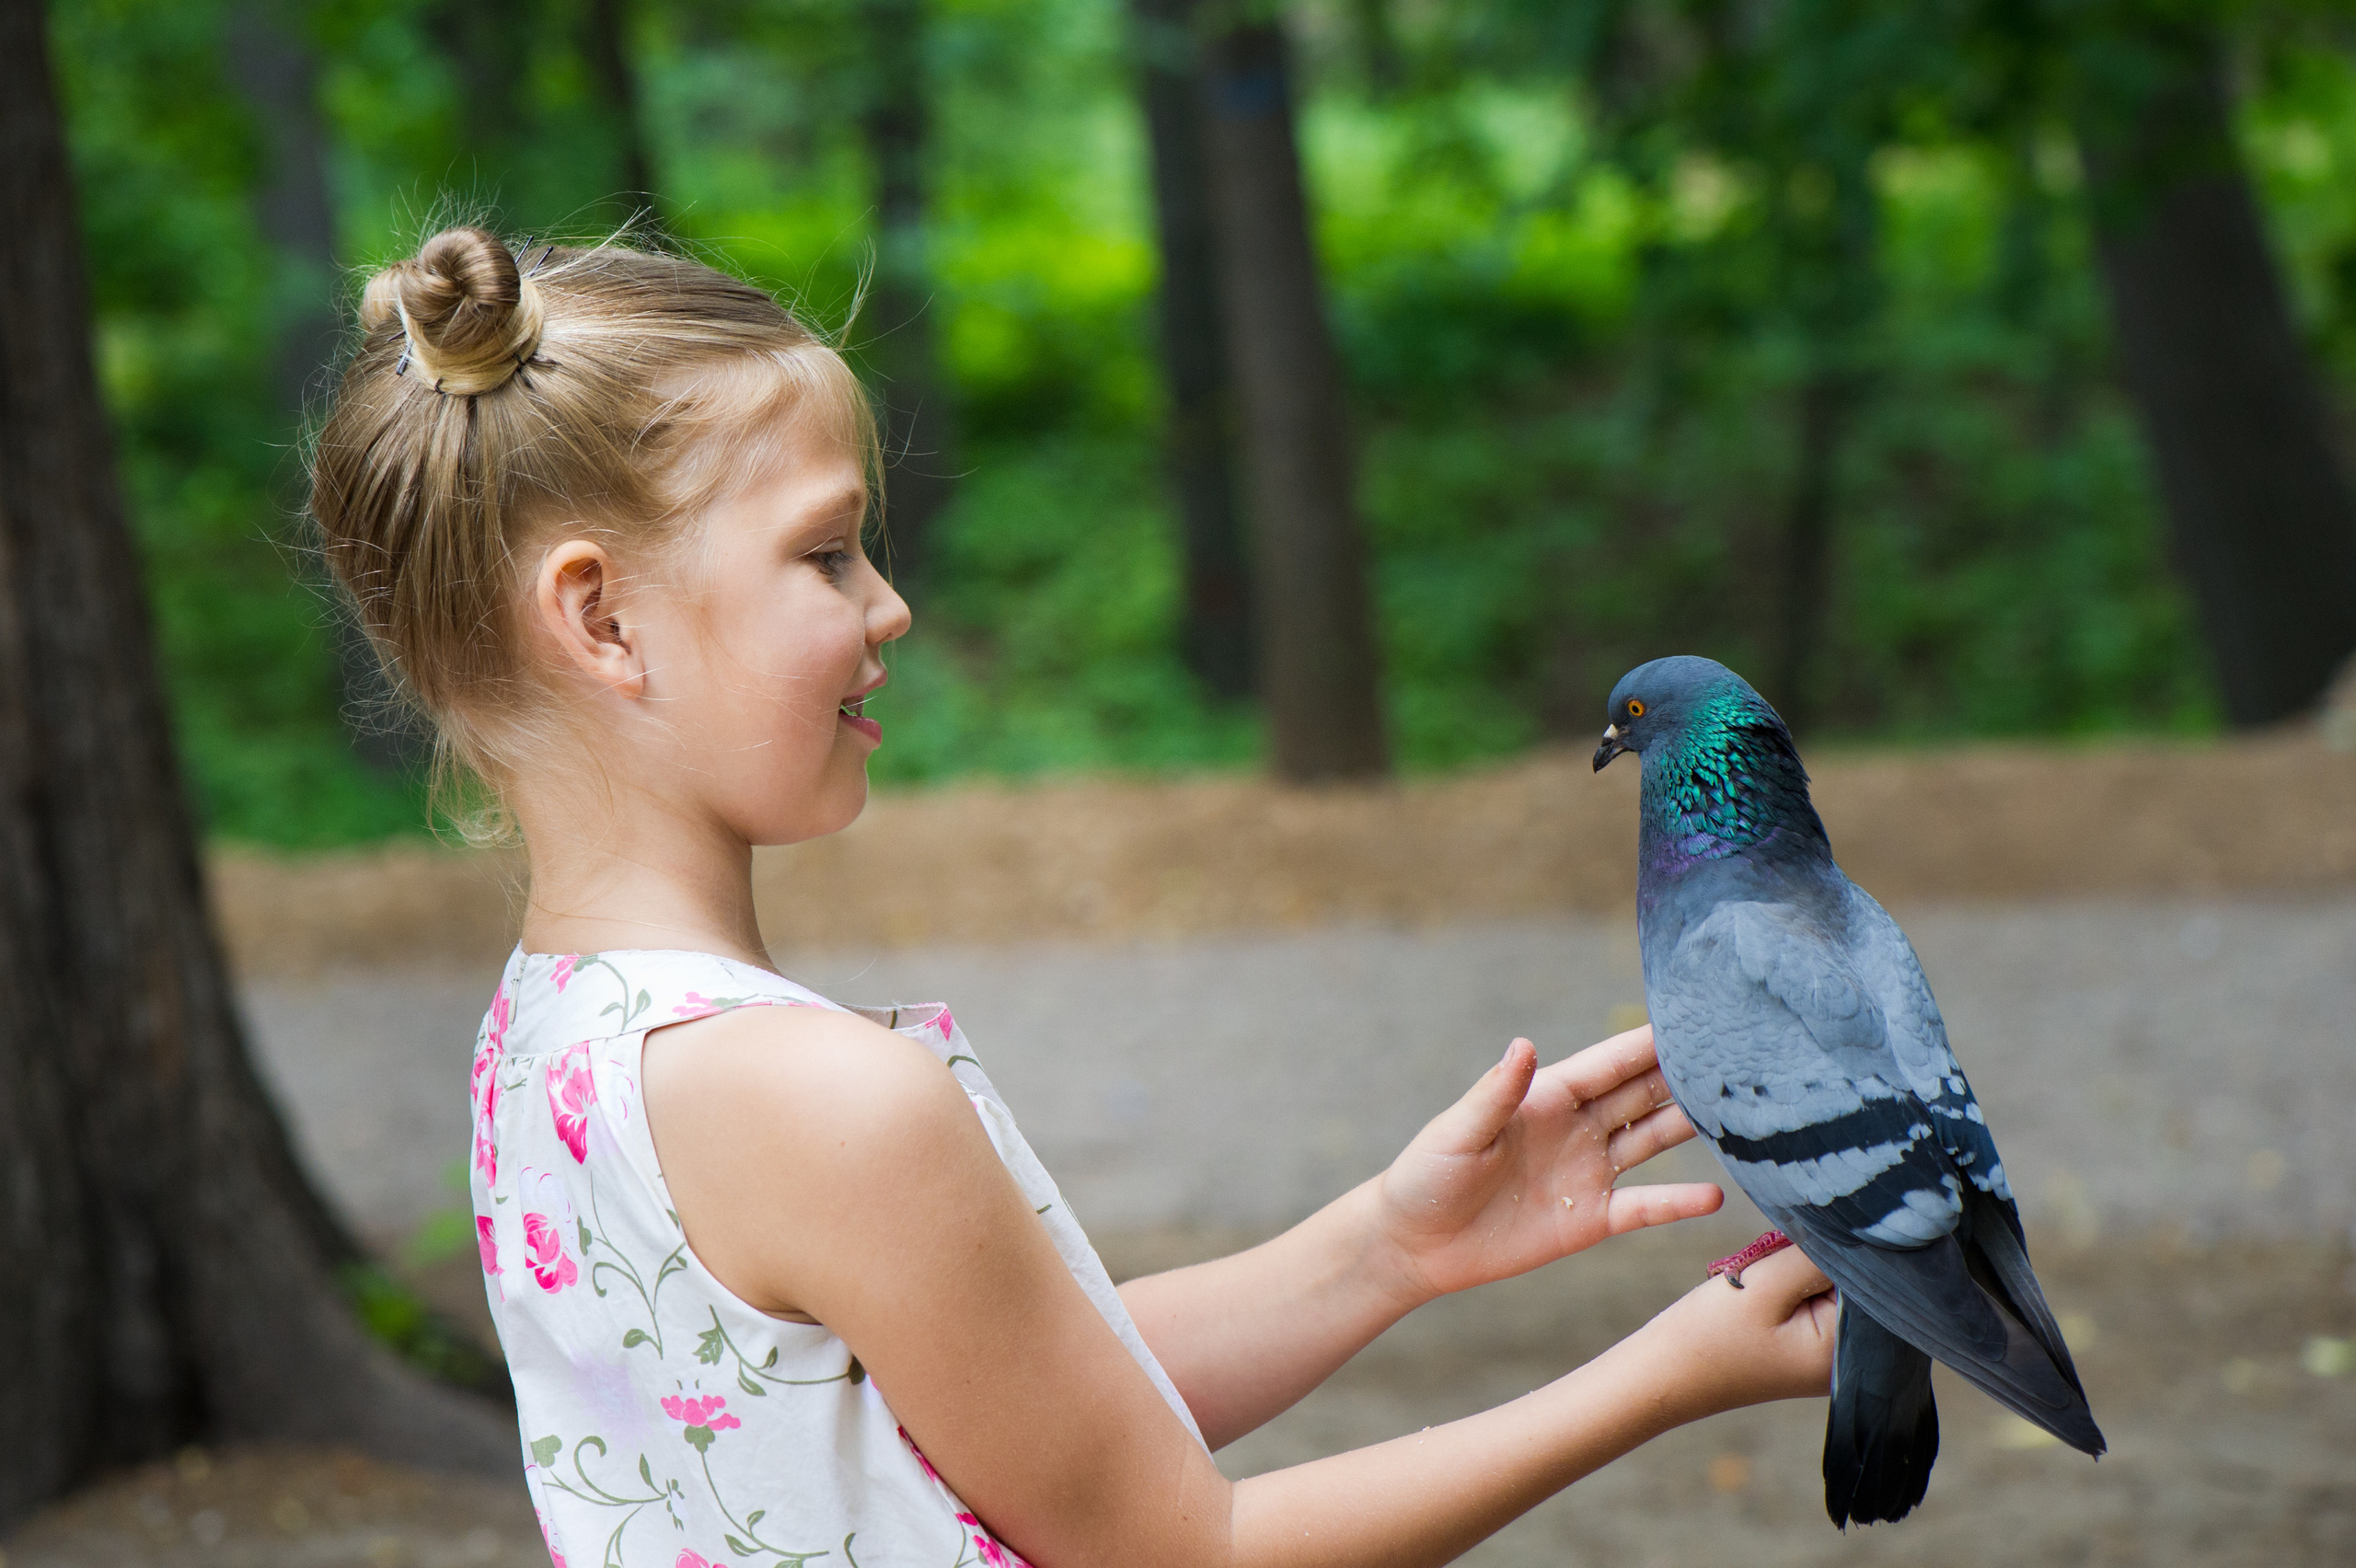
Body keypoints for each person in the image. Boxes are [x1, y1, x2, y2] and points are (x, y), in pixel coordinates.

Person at [309, 226, 1837, 1568]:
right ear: (599, 614)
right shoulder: (828, 1104)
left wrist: (1391, 1248)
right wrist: (1666, 1374)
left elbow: (1010, 1412)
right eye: (827, 554)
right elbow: (1185, 1550)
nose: (887, 606)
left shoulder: (548, 1049)